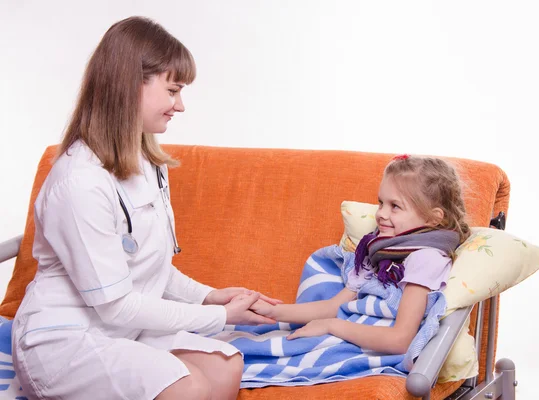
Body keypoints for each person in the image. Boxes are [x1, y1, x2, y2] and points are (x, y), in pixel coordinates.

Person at [11, 16, 280, 400]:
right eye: (173, 90)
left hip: (122, 330)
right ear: (131, 85)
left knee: (225, 366)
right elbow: (116, 305)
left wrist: (209, 296)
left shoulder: (148, 162)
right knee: (190, 389)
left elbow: (149, 268)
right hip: (63, 339)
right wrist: (219, 317)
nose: (180, 105)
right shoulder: (80, 182)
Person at [253, 154, 471, 354]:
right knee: (252, 339)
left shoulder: (425, 258)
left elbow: (401, 340)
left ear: (434, 219)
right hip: (350, 332)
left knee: (259, 353)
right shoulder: (378, 251)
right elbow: (332, 307)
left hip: (369, 346)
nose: (381, 214)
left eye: (395, 206)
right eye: (381, 203)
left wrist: (331, 326)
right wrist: (270, 311)